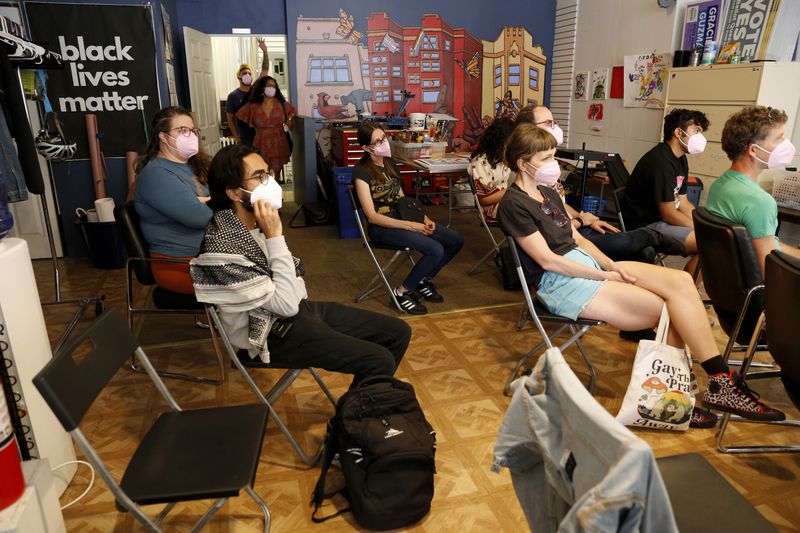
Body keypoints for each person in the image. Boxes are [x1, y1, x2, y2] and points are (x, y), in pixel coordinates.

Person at [496, 123, 784, 427]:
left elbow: (578, 239)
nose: (553, 164)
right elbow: (549, 261)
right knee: (668, 311)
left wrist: (610, 265)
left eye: (554, 155)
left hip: (584, 266)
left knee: (681, 282)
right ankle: (677, 397)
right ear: (521, 163)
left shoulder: (547, 192)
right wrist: (603, 278)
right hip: (560, 283)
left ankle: (717, 382)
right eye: (545, 158)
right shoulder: (513, 205)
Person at [189, 144, 411, 385]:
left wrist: (274, 243)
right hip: (265, 334)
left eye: (268, 173)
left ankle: (362, 407)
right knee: (379, 360)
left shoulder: (252, 225)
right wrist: (275, 237)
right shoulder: (222, 246)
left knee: (397, 332)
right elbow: (287, 304)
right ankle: (355, 418)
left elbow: (297, 288)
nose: (270, 183)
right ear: (234, 193)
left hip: (289, 312)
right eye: (259, 176)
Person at [353, 123, 464, 315]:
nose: (384, 143)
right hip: (382, 227)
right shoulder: (361, 172)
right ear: (365, 148)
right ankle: (401, 292)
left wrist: (424, 218)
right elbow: (372, 216)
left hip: (404, 218)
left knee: (455, 241)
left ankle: (422, 280)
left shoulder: (389, 162)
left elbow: (403, 200)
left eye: (384, 138)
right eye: (378, 141)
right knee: (435, 249)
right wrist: (411, 226)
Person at [706, 105, 800, 276]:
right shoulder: (760, 201)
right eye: (779, 139)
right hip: (761, 290)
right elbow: (770, 273)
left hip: (727, 281)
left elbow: (766, 242)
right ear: (754, 150)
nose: (785, 145)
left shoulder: (720, 185)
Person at [134, 106, 212, 294]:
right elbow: (200, 217)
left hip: (205, 257)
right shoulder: (156, 175)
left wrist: (206, 203)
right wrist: (210, 203)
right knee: (253, 280)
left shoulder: (188, 167)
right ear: (163, 137)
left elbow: (208, 208)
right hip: (179, 265)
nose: (190, 135)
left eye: (192, 131)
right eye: (182, 130)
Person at [621, 108, 710, 273]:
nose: (700, 137)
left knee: (713, 242)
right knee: (709, 246)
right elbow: (669, 213)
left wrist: (703, 224)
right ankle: (683, 291)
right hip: (645, 225)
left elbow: (682, 201)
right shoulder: (660, 161)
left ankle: (685, 288)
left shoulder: (680, 159)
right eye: (696, 130)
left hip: (662, 221)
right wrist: (700, 229)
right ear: (678, 132)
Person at [236, 75, 295, 184]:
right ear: (262, 87)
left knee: (276, 172)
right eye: (268, 85)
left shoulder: (281, 104)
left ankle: (277, 196)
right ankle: (264, 195)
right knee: (261, 171)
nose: (271, 88)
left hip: (278, 141)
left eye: (274, 86)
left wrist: (289, 119)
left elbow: (292, 111)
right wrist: (239, 135)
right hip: (261, 141)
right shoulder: (253, 105)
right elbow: (239, 115)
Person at [225, 38, 271, 146]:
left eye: (250, 74)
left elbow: (265, 70)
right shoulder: (233, 96)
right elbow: (230, 120)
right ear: (239, 77)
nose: (248, 76)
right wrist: (237, 138)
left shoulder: (255, 89)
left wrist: (265, 51)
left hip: (259, 137)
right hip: (245, 140)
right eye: (245, 73)